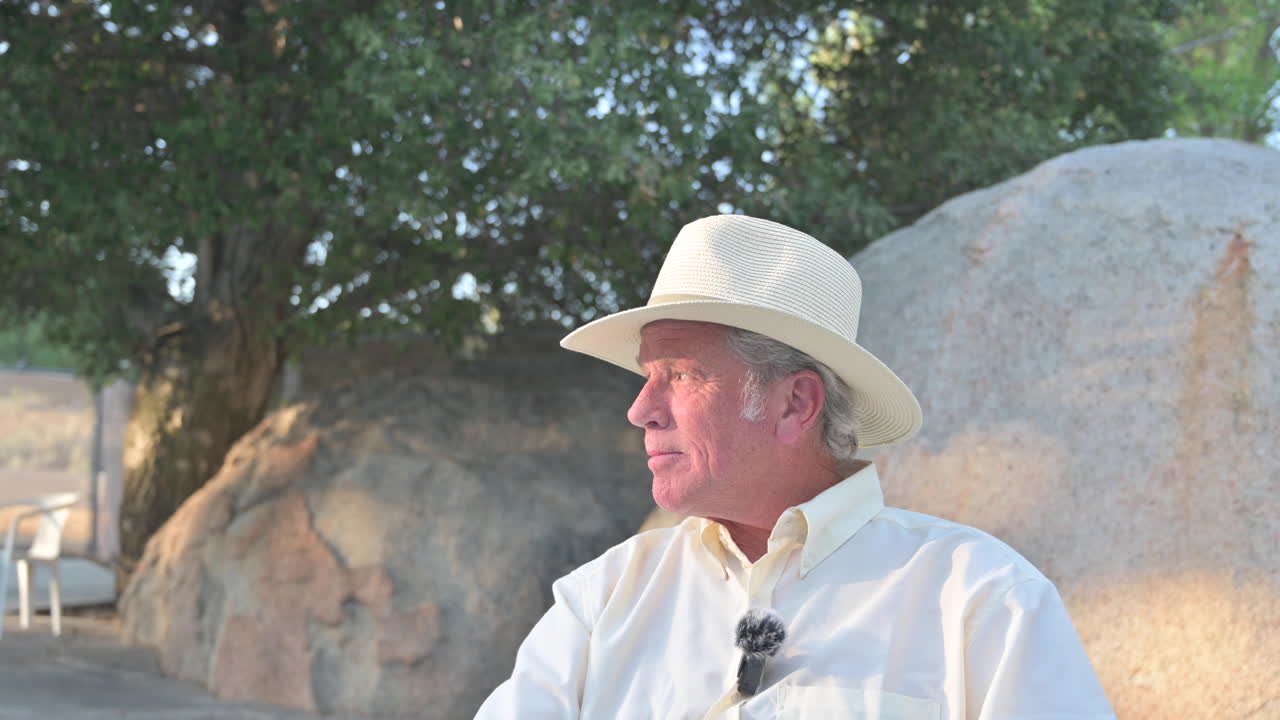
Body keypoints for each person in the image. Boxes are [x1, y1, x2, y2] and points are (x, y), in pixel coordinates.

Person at [475, 215, 1115, 719]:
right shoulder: (601, 599)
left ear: (795, 403)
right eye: (647, 377)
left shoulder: (981, 600)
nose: (641, 410)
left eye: (681, 376)